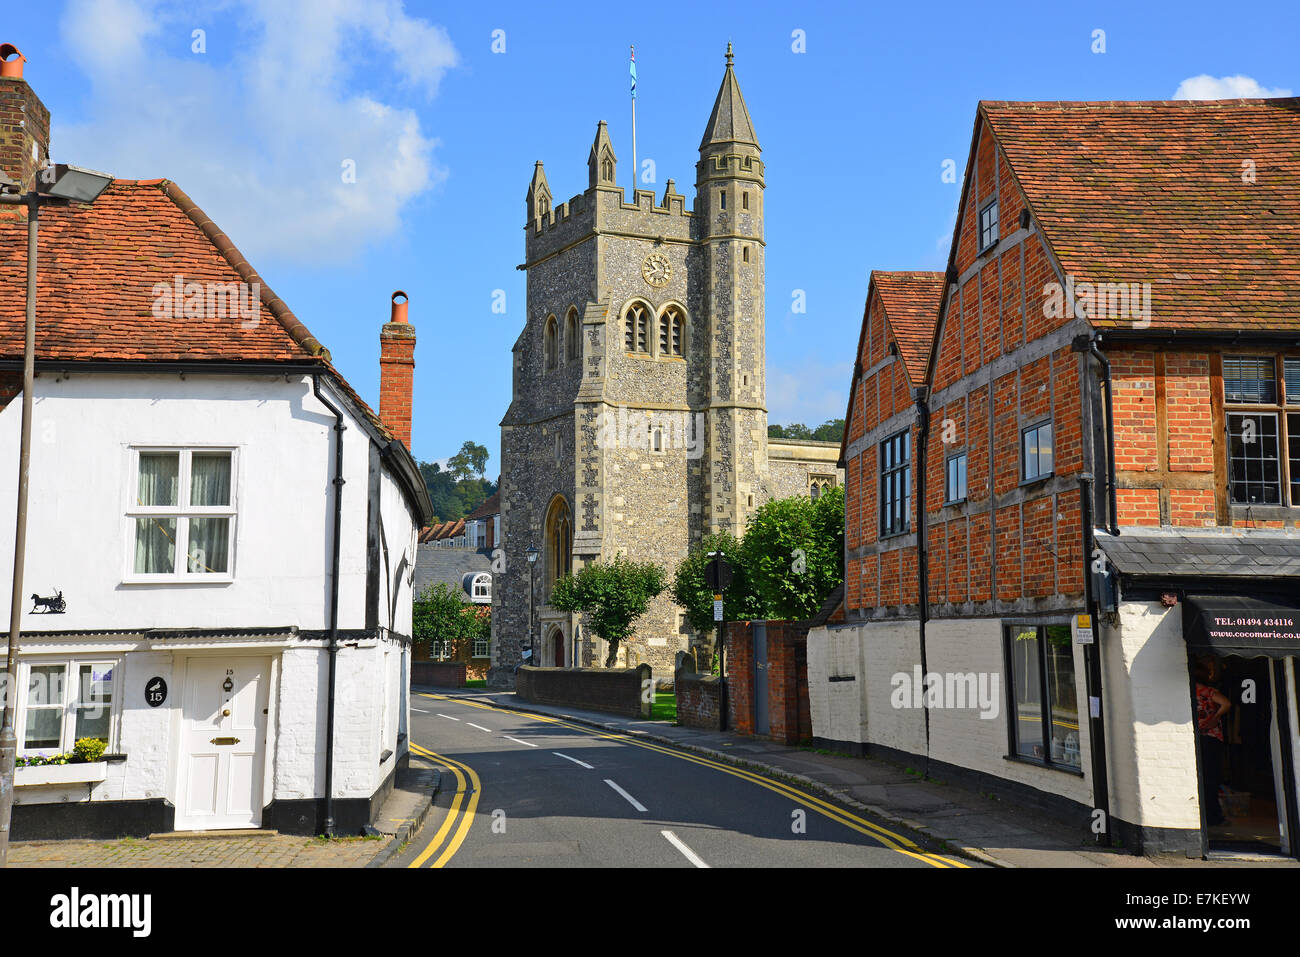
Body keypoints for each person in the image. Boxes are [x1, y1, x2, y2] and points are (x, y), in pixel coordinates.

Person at [1194, 658, 1232, 827]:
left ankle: (1204, 814)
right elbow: (1226, 703)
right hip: (1211, 736)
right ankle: (1214, 816)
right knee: (1212, 776)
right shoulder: (1208, 691)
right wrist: (1215, 718)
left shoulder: (1189, 692)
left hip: (1198, 737)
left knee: (1202, 776)